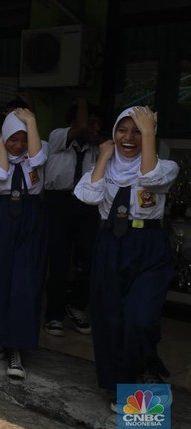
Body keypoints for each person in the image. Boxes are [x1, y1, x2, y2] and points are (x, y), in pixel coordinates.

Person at [73, 106, 177, 411]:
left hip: (148, 245)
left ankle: (146, 368)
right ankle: (130, 394)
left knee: (139, 317)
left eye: (137, 131)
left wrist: (149, 134)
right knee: (110, 320)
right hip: (110, 244)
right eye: (123, 129)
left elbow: (151, 177)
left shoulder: (166, 166)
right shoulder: (103, 166)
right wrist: (104, 157)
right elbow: (87, 196)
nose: (128, 137)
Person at [0, 108, 48, 380]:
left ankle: (17, 348)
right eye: (13, 139)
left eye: (24, 138)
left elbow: (39, 157)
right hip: (1, 215)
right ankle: (0, 336)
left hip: (31, 217)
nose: (19, 145)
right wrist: (0, 143)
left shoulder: (39, 150)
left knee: (25, 279)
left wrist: (31, 121)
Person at [42, 98, 102, 337]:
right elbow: (82, 126)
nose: (95, 128)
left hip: (87, 205)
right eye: (92, 123)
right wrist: (82, 102)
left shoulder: (98, 148)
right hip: (59, 202)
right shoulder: (58, 137)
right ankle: (54, 314)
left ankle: (76, 305)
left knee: (88, 258)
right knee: (58, 259)